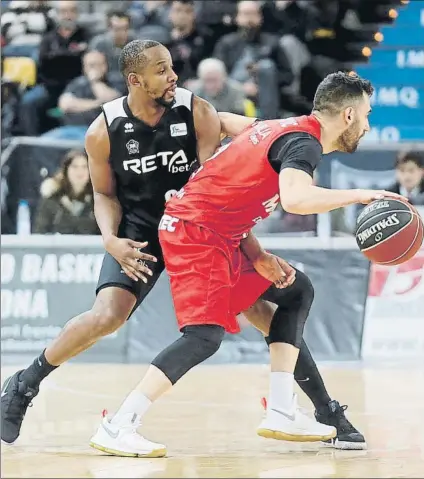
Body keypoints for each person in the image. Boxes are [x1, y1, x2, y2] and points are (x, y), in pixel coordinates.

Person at [0, 41, 357, 451]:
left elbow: (216, 195)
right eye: (162, 70)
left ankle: (323, 411)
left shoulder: (196, 111)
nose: (173, 76)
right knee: (107, 316)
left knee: (265, 309)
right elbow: (104, 195)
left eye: (172, 67)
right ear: (135, 80)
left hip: (197, 229)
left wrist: (253, 251)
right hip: (141, 232)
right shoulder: (105, 129)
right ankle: (24, 384)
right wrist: (111, 240)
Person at [88, 71, 407, 456]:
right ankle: (120, 423)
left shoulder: (280, 126)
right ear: (349, 116)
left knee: (296, 290)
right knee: (203, 337)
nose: (369, 124)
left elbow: (221, 120)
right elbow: (295, 199)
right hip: (196, 233)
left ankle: (281, 408)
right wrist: (361, 195)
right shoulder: (303, 144)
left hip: (219, 235)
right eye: (368, 114)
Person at [33, 149, 99, 235]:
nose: (80, 171)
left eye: (84, 167)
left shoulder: (99, 201)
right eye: (75, 166)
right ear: (66, 170)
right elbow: (39, 232)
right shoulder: (52, 199)